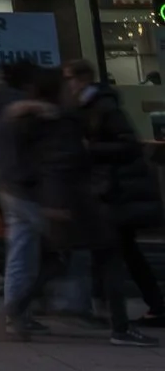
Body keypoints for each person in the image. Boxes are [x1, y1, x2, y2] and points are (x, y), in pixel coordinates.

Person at [66, 59, 165, 331]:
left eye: (69, 78)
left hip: (116, 190)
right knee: (121, 251)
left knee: (113, 251)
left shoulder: (103, 107)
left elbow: (127, 144)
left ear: (82, 79)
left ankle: (115, 310)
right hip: (108, 189)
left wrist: (90, 148)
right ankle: (140, 306)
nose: (67, 85)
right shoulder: (87, 107)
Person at [0, 58, 48, 335]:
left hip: (11, 184)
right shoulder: (22, 109)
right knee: (32, 250)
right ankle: (18, 309)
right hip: (22, 186)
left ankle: (19, 310)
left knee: (23, 250)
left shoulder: (6, 104)